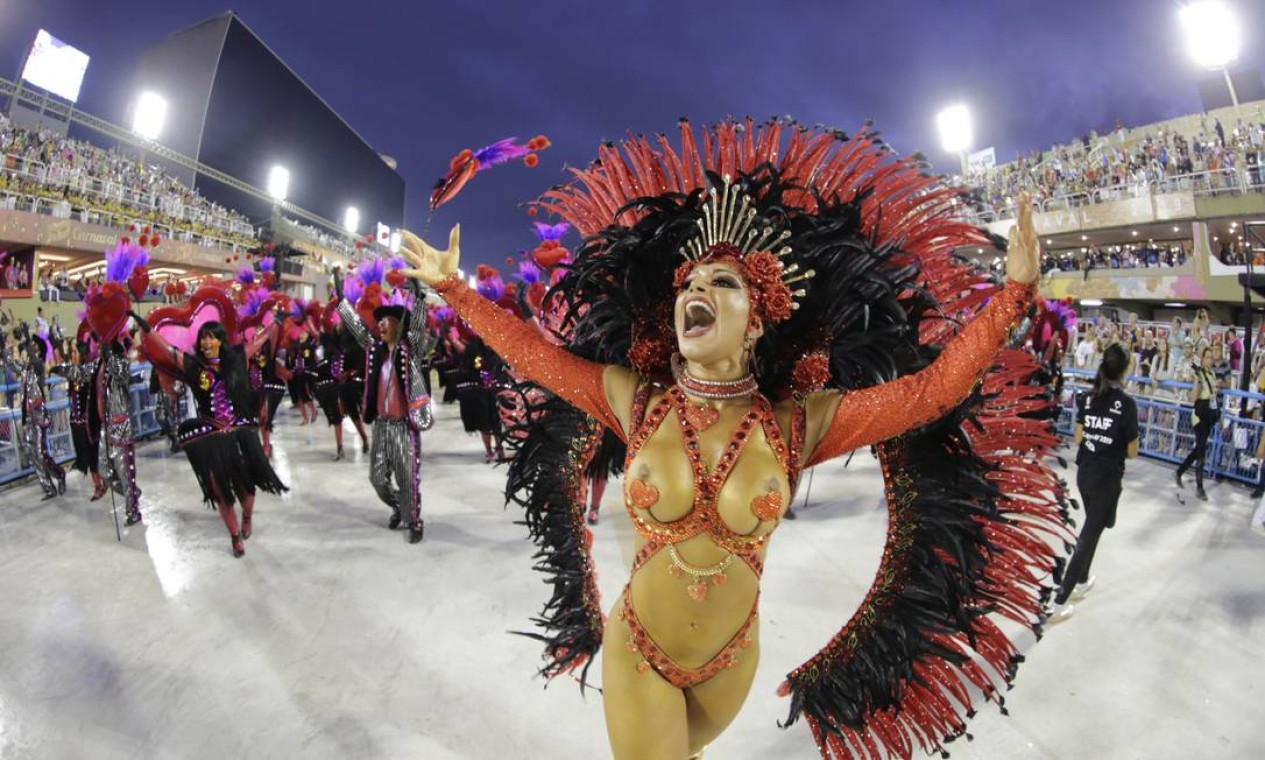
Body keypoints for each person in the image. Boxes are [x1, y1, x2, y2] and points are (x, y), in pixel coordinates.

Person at [395, 122, 1060, 759]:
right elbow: (534, 358)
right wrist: (455, 289)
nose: (695, 289)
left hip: (732, 664)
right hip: (640, 650)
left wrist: (1012, 295)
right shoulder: (637, 401)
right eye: (688, 284)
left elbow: (930, 391)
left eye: (721, 283)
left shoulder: (798, 423)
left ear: (755, 321)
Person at [138, 314, 287, 557]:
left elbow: (259, 341)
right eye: (203, 338)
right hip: (211, 433)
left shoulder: (237, 358)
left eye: (211, 337)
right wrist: (145, 328)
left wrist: (276, 323)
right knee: (220, 491)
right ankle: (235, 536)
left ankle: (247, 516)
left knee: (247, 491)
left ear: (220, 340)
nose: (206, 343)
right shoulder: (194, 366)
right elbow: (166, 349)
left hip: (239, 431)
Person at [335, 280, 434, 543]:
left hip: (404, 426)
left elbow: (418, 327)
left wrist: (419, 298)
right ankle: (400, 508)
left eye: (385, 321)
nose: (379, 325)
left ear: (397, 325)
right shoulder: (374, 351)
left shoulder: (409, 352)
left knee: (407, 478)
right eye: (378, 322)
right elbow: (358, 330)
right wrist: (341, 302)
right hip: (381, 424)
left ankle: (414, 520)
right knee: (377, 478)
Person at [1048, 344, 1138, 623]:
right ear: (1123, 369)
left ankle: (1082, 580)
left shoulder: (1088, 398)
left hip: (1085, 474)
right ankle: (1058, 601)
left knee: (1096, 525)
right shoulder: (1127, 404)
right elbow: (1133, 452)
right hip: (1106, 480)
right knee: (1088, 535)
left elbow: (1077, 437)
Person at [3, 334, 65, 499]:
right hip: (28, 419)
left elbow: (42, 351)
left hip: (39, 417)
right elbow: (9, 362)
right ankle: (48, 487)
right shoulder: (23, 371)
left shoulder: (37, 368)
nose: (22, 356)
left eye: (25, 353)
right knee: (33, 455)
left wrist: (30, 340)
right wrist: (3, 346)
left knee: (41, 453)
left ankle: (59, 474)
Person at [1176, 345, 1219, 501]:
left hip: (1208, 416)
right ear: (1202, 359)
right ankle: (1200, 488)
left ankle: (1180, 471)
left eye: (1211, 357)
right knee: (1201, 452)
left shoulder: (1212, 374)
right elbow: (1193, 397)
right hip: (1199, 417)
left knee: (1199, 449)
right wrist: (1198, 383)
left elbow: (1213, 395)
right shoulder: (1199, 374)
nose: (1210, 359)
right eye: (1207, 357)